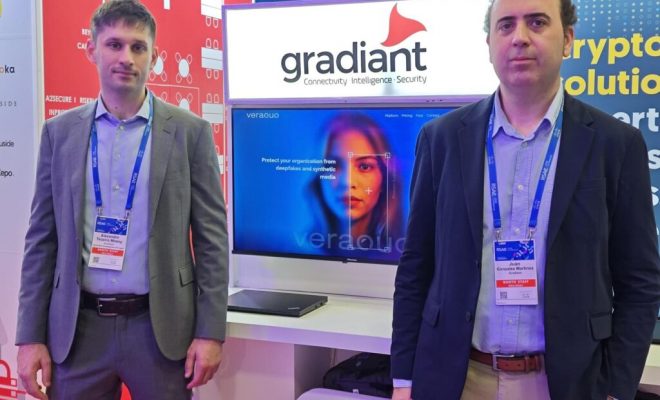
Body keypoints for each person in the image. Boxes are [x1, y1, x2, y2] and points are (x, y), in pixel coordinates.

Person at [390, 0, 660, 399]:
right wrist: (403, 380)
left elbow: (640, 282)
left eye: (537, 22)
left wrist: (616, 388)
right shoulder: (441, 139)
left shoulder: (615, 144)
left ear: (567, 39)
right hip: (456, 379)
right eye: (505, 25)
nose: (519, 38)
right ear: (489, 44)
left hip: (566, 383)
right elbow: (416, 266)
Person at [15, 1, 228, 399]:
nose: (126, 58)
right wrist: (30, 337)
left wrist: (210, 332)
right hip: (78, 333)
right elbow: (41, 241)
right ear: (91, 50)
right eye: (114, 44)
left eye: (138, 47)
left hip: (160, 330)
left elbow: (212, 241)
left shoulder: (190, 133)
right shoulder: (59, 134)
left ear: (154, 57)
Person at [308, 112, 403, 254]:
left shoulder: (408, 255)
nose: (347, 182)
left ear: (384, 178)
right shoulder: (296, 250)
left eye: (364, 166)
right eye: (333, 166)